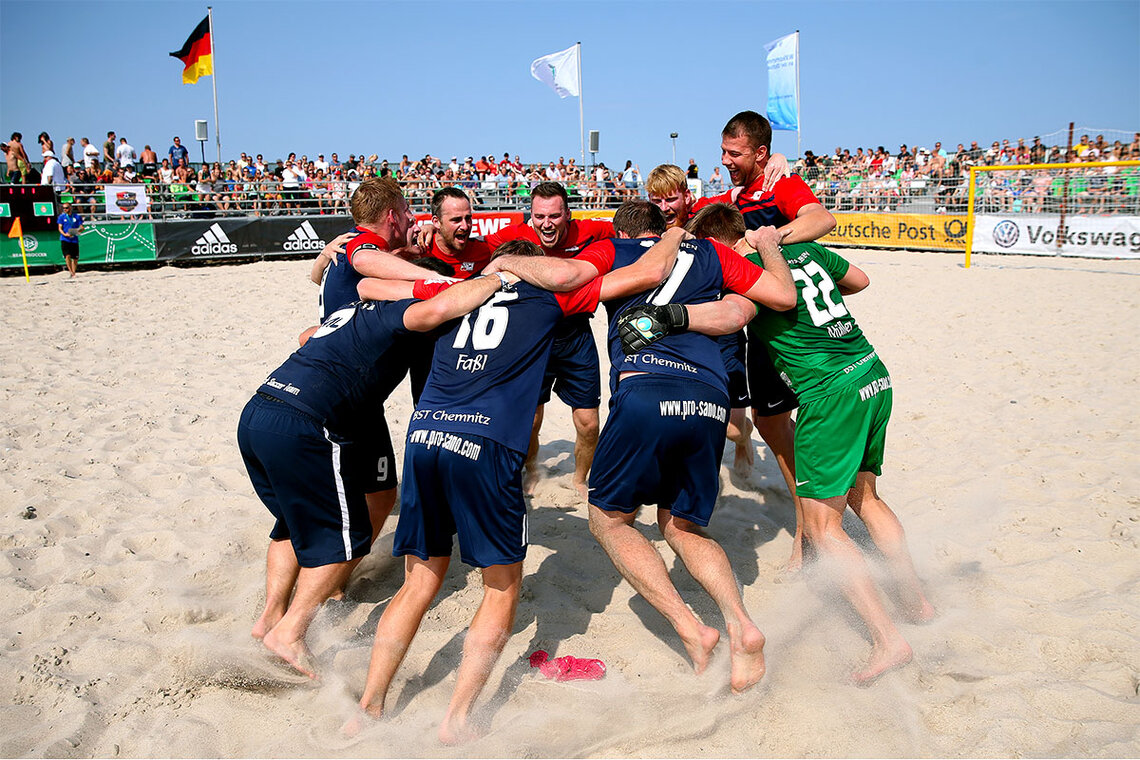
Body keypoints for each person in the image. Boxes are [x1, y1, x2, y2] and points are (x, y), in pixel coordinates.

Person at [353, 233, 681, 743]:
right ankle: (457, 719)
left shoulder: (459, 288)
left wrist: (433, 276)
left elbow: (370, 282)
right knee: (502, 584)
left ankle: (368, 706)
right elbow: (649, 274)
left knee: (418, 582)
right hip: (485, 443)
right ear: (538, 267)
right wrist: (677, 235)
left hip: (424, 435)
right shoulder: (549, 294)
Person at [491, 201, 795, 692]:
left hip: (647, 388)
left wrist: (509, 262)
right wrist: (770, 246)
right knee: (684, 525)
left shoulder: (616, 249)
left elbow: (565, 276)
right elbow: (782, 296)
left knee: (609, 518)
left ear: (626, 232)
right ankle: (741, 623)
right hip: (710, 398)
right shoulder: (714, 256)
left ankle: (691, 629)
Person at [625, 203, 934, 684]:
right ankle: (916, 602)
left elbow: (736, 314)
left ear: (723, 246)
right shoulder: (804, 248)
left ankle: (887, 640)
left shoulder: (745, 271)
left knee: (823, 526)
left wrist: (666, 319)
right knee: (866, 498)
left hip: (830, 396)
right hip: (872, 375)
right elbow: (859, 281)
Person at [693, 110, 837, 574]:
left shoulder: (780, 183)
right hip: (755, 331)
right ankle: (812, 526)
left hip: (792, 332)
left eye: (734, 154)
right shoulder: (734, 194)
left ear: (759, 152)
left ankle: (813, 531)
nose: (725, 160)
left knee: (804, 430)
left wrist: (766, 241)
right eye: (722, 152)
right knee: (770, 425)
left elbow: (821, 219)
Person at [482, 182, 615, 497]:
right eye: (539, 216)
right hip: (533, 338)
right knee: (529, 421)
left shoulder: (591, 231)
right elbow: (471, 248)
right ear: (531, 215)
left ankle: (580, 479)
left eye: (555, 216)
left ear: (568, 214)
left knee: (588, 424)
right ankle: (532, 470)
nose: (547, 224)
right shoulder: (512, 236)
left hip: (577, 334)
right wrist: (427, 238)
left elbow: (632, 234)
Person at [57, 202, 83, 278]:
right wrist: (65, 234)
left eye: (67, 208)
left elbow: (82, 228)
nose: (65, 209)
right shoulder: (62, 217)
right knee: (67, 255)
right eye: (64, 208)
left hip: (74, 238)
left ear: (70, 208)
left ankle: (74, 271)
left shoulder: (77, 217)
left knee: (75, 258)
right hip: (65, 238)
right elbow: (60, 228)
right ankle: (71, 272)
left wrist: (74, 232)